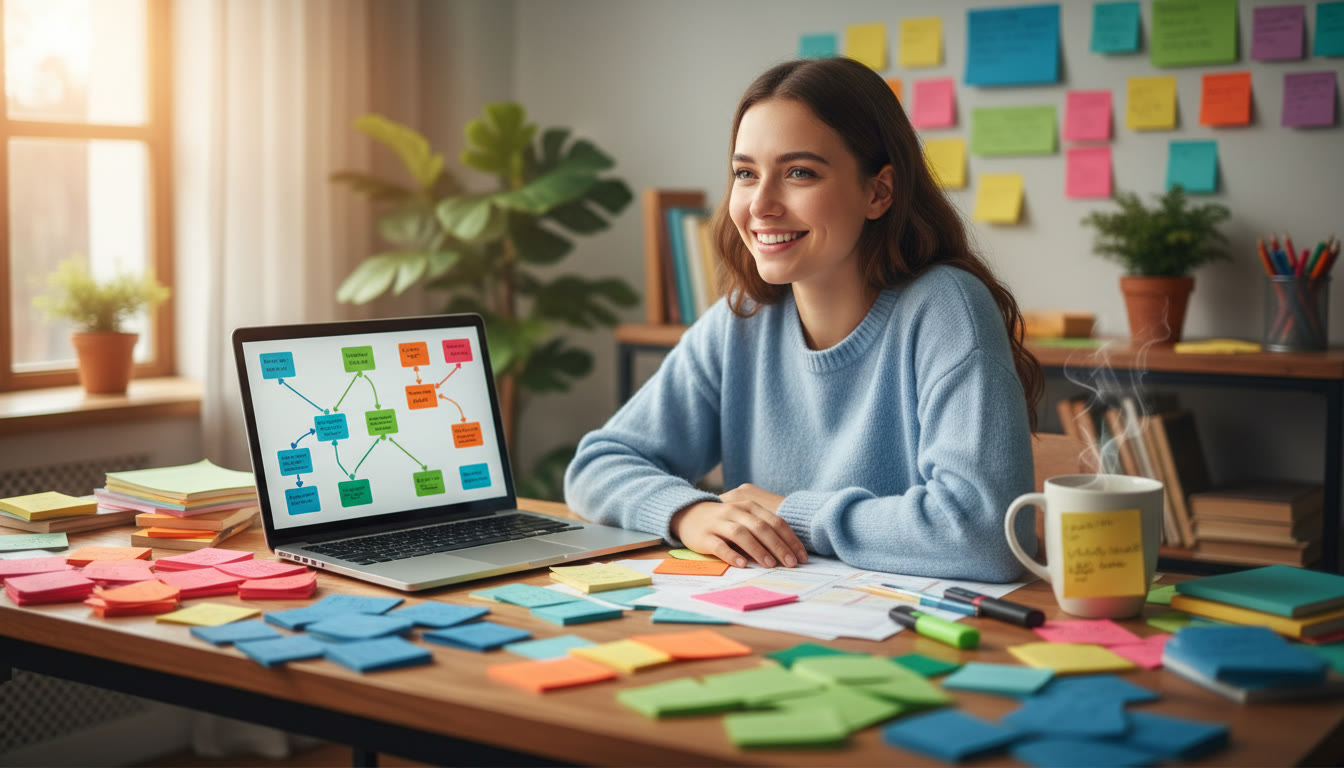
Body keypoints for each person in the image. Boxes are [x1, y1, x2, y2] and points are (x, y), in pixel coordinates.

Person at [564, 57, 1042, 582]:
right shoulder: (741, 322)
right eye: (745, 174)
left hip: (916, 642)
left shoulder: (947, 310)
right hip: (773, 629)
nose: (760, 205)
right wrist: (689, 513)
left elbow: (985, 533)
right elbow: (595, 466)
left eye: (799, 173)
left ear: (878, 192)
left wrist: (791, 513)